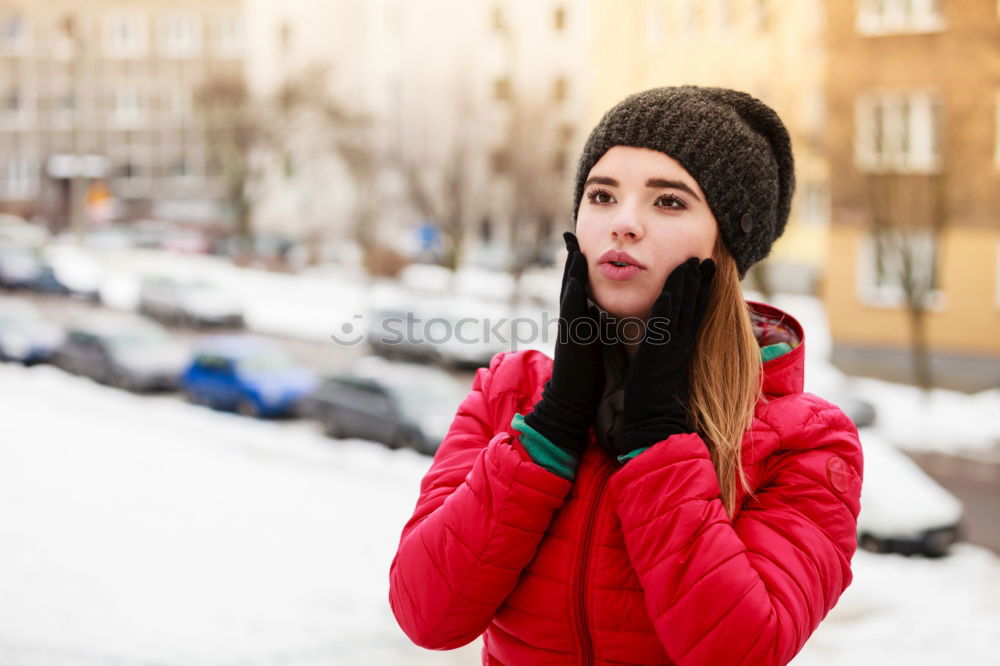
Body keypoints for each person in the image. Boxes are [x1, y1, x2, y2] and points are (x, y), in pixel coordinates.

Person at [388, 86, 864, 666]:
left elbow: (742, 650)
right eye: (602, 195)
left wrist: (658, 443)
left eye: (668, 202)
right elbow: (426, 615)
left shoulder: (805, 440)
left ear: (728, 242)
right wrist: (552, 426)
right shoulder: (508, 392)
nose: (624, 224)